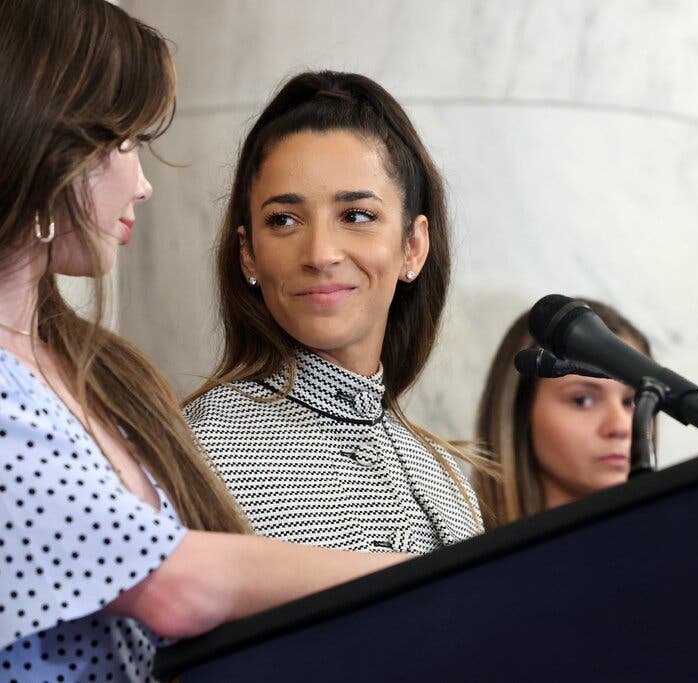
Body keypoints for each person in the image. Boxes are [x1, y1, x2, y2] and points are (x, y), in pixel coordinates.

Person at [0, 3, 407, 680]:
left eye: (359, 215)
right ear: (45, 143)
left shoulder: (101, 371)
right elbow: (176, 583)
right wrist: (468, 580)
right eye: (126, 142)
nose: (144, 182)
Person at [184, 71, 483, 553]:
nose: (320, 253)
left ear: (413, 245)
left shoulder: (447, 479)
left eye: (356, 216)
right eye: (283, 220)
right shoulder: (203, 453)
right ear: (248, 254)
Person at [474, 299, 652, 528]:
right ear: (520, 413)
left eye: (633, 401)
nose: (621, 427)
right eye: (583, 400)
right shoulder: (446, 556)